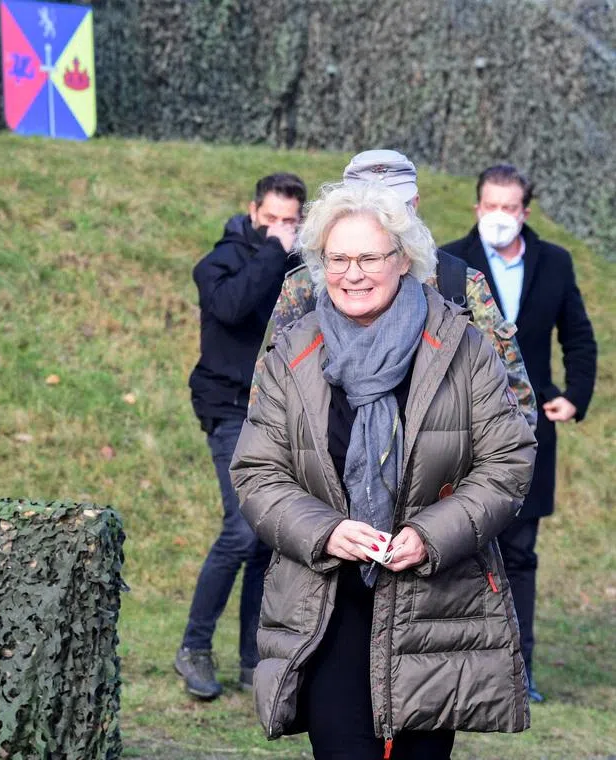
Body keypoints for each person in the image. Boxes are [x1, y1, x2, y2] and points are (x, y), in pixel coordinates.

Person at [232, 181, 536, 759]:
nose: (353, 273)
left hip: (436, 606)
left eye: (369, 257)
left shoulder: (463, 346)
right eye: (338, 258)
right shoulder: (292, 351)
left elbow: (508, 460)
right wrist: (325, 531)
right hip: (327, 602)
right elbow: (257, 471)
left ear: (403, 259)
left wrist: (430, 535)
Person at [440, 164, 597, 703]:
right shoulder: (449, 263)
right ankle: (459, 666)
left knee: (521, 553)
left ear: (525, 212)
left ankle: (517, 669)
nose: (499, 217)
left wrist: (575, 395)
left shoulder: (554, 263)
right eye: (491, 206)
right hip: (461, 428)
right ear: (477, 206)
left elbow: (578, 335)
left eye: (510, 208)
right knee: (460, 545)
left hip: (529, 432)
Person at [258, 149, 537, 432]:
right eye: (369, 206)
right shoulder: (308, 285)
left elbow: (515, 407)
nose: (384, 218)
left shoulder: (458, 284)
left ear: (415, 204)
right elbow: (266, 403)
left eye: (395, 206)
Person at [175, 173, 307, 700]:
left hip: (279, 412)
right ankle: (194, 647)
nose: (281, 230)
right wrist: (275, 251)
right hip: (228, 408)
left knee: (268, 537)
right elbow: (231, 307)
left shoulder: (302, 269)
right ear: (252, 211)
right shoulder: (220, 263)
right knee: (242, 531)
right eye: (272, 219)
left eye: (291, 222)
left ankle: (255, 660)